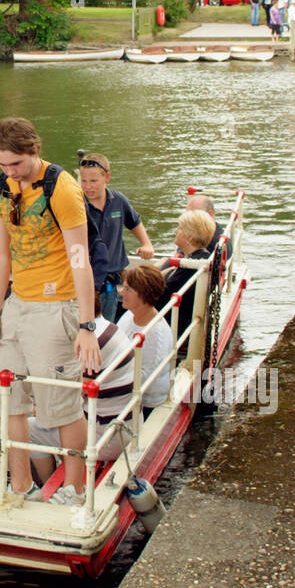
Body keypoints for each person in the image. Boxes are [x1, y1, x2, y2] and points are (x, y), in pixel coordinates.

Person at [0, 117, 100, 507]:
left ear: (34, 151)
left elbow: (80, 258)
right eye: (3, 166)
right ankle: (21, 486)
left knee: (60, 405)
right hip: (17, 303)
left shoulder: (62, 188)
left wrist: (86, 324)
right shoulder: (3, 187)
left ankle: (75, 488)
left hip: (56, 305)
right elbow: (0, 253)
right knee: (8, 397)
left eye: (15, 165)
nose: (10, 173)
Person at [28, 291, 135, 482]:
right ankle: (65, 470)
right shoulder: (110, 328)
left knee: (30, 430)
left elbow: (73, 399)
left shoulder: (92, 344)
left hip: (108, 436)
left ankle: (49, 486)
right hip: (125, 422)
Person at [78, 153, 155, 322]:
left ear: (107, 177)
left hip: (111, 282)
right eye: (83, 181)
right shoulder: (77, 204)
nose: (88, 187)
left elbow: (134, 221)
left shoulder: (118, 201)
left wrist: (146, 243)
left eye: (93, 181)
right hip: (85, 280)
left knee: (107, 325)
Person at [158, 209, 215, 361]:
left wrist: (157, 275)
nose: (176, 230)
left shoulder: (192, 265)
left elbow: (161, 296)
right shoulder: (196, 258)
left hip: (176, 331)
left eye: (180, 228)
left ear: (189, 237)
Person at [116, 265, 173, 410]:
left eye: (127, 289)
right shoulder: (130, 314)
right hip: (124, 382)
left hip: (146, 401)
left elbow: (143, 378)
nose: (121, 292)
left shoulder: (155, 334)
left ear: (144, 294)